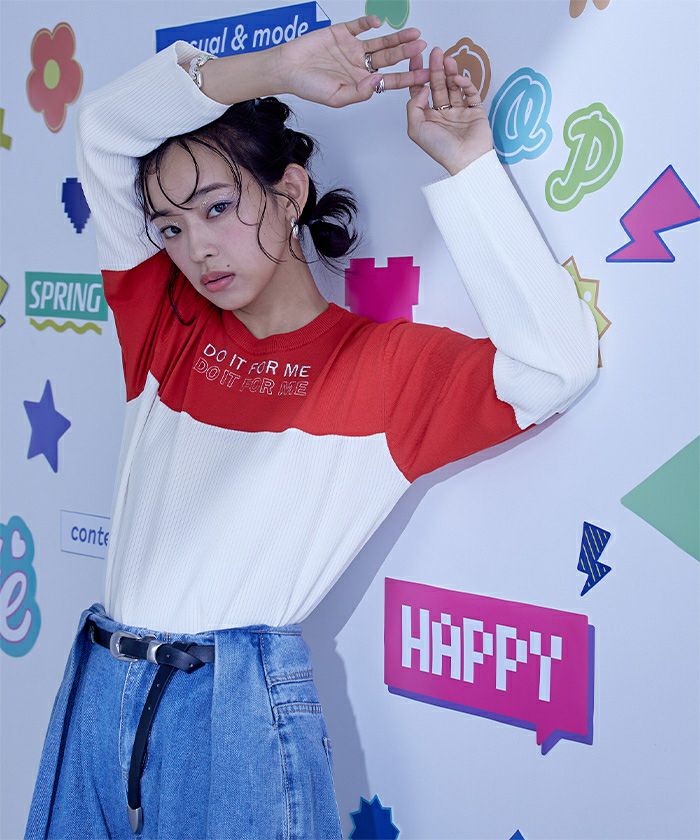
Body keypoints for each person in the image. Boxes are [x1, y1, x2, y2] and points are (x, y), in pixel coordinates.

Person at [24, 14, 599, 840]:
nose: (197, 249)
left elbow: (554, 367)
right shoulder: (166, 328)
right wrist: (277, 68)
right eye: (172, 228)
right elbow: (104, 131)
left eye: (220, 207)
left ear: (288, 193)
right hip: (98, 689)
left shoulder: (381, 370)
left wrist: (467, 161)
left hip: (230, 714)